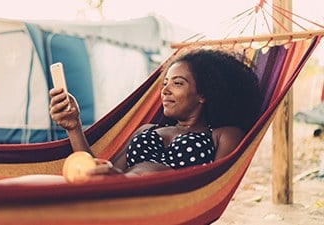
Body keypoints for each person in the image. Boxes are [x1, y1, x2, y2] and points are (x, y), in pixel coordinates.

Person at [49, 49, 262, 178]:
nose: (165, 90)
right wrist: (74, 126)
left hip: (154, 202)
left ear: (203, 94)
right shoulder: (147, 129)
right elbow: (100, 169)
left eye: (177, 83)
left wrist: (141, 179)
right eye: (165, 83)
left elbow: (214, 186)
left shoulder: (223, 135)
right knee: (31, 186)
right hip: (113, 195)